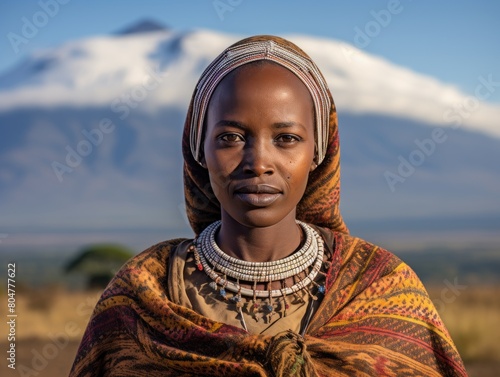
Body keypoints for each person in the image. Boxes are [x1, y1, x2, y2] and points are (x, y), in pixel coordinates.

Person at [69, 35, 467, 376]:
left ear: (319, 152)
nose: (258, 162)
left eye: (287, 138)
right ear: (198, 151)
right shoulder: (144, 295)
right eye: (230, 137)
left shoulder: (380, 290)